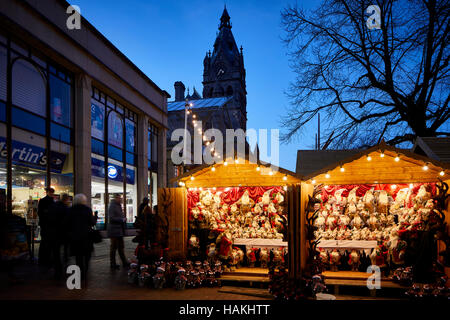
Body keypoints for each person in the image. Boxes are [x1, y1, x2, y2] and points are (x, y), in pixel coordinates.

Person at [64, 194, 97, 280]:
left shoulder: (71, 210)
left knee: (78, 256)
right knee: (87, 255)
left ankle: (80, 270)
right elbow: (92, 222)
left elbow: (67, 223)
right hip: (86, 236)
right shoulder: (87, 209)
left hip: (75, 237)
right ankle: (85, 272)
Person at [48, 193, 70, 279]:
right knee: (65, 249)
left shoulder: (53, 206)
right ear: (66, 199)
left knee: (56, 251)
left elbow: (49, 218)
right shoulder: (66, 209)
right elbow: (68, 221)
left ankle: (57, 268)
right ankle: (64, 264)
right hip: (64, 232)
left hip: (54, 232)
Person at [107, 194, 129, 270]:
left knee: (121, 247)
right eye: (119, 198)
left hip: (119, 230)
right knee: (114, 248)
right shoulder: (112, 206)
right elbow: (112, 218)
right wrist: (122, 219)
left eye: (121, 198)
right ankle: (113, 263)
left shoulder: (118, 205)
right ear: (116, 198)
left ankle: (124, 262)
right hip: (114, 230)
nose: (121, 199)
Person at [37, 187, 55, 268]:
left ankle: (43, 258)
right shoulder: (51, 201)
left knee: (44, 241)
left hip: (45, 224)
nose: (52, 194)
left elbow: (40, 212)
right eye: (51, 192)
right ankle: (46, 258)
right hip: (49, 224)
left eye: (52, 192)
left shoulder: (43, 200)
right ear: (48, 192)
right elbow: (41, 212)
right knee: (48, 241)